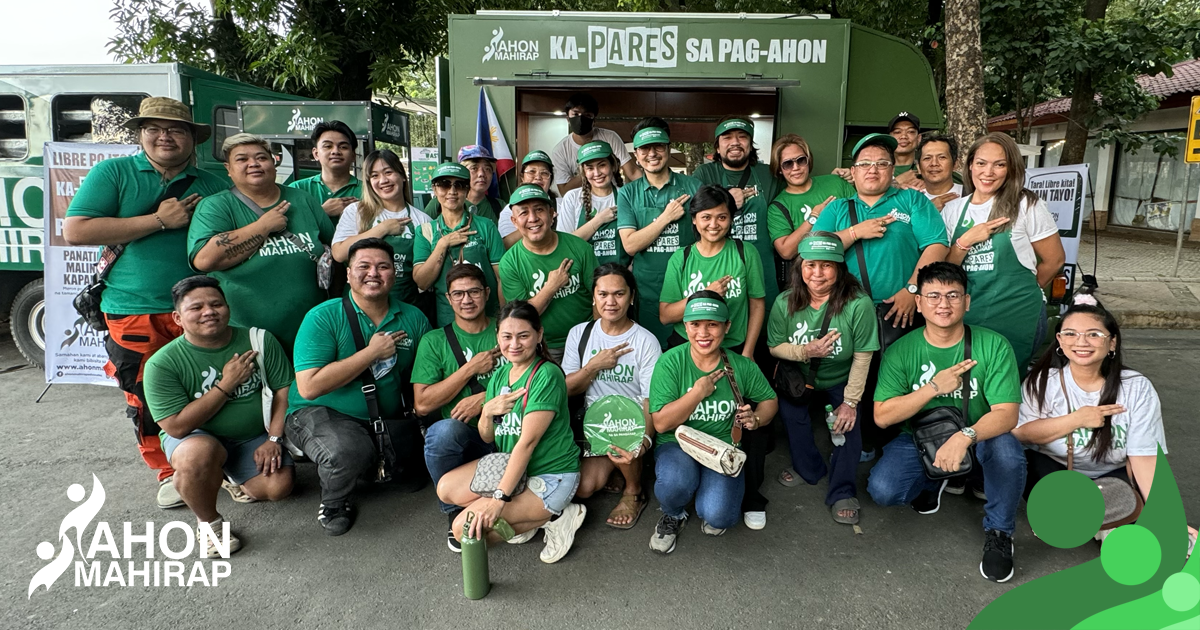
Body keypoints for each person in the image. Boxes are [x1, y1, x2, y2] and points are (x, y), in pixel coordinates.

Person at [63, 97, 228, 509]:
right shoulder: (114, 173)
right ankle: (169, 470)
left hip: (204, 307)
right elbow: (77, 229)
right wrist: (160, 220)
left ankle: (217, 464)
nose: (164, 136)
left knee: (212, 384)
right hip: (135, 308)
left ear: (192, 138)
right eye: (154, 128)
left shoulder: (211, 184)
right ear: (141, 135)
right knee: (146, 393)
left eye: (175, 129)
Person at [867, 262, 1026, 583]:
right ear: (919, 302)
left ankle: (1000, 532)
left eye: (953, 296)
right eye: (934, 296)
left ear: (967, 302)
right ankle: (933, 479)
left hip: (981, 435)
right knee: (883, 491)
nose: (943, 304)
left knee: (1008, 453)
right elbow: (882, 417)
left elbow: (1007, 414)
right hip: (920, 437)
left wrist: (965, 436)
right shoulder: (901, 351)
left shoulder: (993, 345)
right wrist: (934, 387)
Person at [1014, 294, 1198, 546]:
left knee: (1132, 513)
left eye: (1094, 334)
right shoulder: (1043, 381)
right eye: (1070, 334)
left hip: (1113, 476)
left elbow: (1143, 458)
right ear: (1059, 340)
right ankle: (1100, 522)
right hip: (1055, 473)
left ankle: (1090, 523)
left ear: (1112, 343)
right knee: (1026, 461)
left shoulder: (1136, 388)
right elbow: (1021, 434)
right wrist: (1076, 419)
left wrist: (1166, 515)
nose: (1081, 342)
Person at [813, 133, 949, 459]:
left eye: (881, 163)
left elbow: (936, 245)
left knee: (894, 376)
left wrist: (912, 289)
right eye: (865, 164)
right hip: (847, 310)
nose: (873, 170)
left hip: (898, 308)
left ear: (892, 169)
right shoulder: (839, 208)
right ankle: (847, 441)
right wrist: (854, 232)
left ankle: (890, 445)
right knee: (845, 377)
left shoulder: (912, 202)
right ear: (853, 171)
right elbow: (816, 251)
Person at [286, 238, 432, 535]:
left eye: (383, 267)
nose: (373, 274)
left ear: (395, 272)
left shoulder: (413, 317)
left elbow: (426, 375)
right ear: (349, 273)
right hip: (320, 411)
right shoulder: (323, 316)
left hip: (382, 416)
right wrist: (371, 354)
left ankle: (370, 459)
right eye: (363, 267)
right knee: (347, 450)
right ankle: (335, 501)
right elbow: (310, 387)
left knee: (413, 476)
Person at [144, 276, 295, 556]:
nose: (209, 312)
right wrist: (227, 384)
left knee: (278, 487)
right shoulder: (162, 363)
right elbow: (176, 426)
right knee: (197, 457)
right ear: (178, 317)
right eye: (196, 307)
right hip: (196, 438)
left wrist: (274, 438)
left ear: (228, 307)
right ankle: (209, 523)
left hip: (252, 437)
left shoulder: (258, 341)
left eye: (216, 304)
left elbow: (284, 392)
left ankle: (223, 476)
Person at [436, 301, 586, 564]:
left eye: (523, 335)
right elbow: (487, 437)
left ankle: (556, 516)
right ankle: (529, 520)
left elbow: (526, 444)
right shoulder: (501, 375)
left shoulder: (547, 374)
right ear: (497, 337)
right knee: (446, 489)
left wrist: (499, 500)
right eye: (507, 336)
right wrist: (486, 411)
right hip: (516, 473)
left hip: (551, 476)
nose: (514, 344)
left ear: (539, 335)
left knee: (463, 531)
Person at [648, 293, 778, 553]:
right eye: (695, 324)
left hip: (721, 448)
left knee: (720, 516)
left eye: (713, 324)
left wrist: (758, 418)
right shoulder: (670, 362)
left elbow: (770, 400)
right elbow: (661, 424)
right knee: (675, 482)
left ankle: (703, 492)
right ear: (685, 326)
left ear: (726, 327)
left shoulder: (740, 365)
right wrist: (697, 393)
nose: (703, 333)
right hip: (677, 443)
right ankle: (673, 513)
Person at [768, 233, 878, 524]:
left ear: (840, 269)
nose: (817, 274)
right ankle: (809, 469)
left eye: (827, 266)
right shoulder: (785, 301)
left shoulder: (858, 304)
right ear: (800, 267)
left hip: (841, 377)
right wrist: (807, 351)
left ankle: (842, 490)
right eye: (810, 265)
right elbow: (774, 345)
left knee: (848, 427)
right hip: (798, 377)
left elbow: (863, 355)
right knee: (792, 415)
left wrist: (850, 402)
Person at [188, 133, 334, 351]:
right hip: (247, 336)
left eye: (261, 157)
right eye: (242, 159)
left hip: (309, 330)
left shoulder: (302, 199)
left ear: (274, 162)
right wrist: (262, 227)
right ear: (228, 169)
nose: (253, 164)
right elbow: (204, 260)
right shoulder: (215, 206)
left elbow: (336, 250)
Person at [943, 132, 1065, 373]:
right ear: (970, 166)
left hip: (1017, 316)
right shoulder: (953, 210)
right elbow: (946, 270)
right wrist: (965, 241)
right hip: (967, 315)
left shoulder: (1026, 205)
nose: (988, 172)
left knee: (1005, 390)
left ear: (1011, 169)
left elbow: (1055, 259)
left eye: (999, 164)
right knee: (969, 387)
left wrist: (1023, 291)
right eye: (981, 163)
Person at [413, 264, 504, 552]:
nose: (467, 300)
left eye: (474, 291)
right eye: (458, 294)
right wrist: (469, 370)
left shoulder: (507, 331)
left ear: (487, 293)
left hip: (511, 431)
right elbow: (422, 404)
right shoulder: (434, 341)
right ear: (448, 299)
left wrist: (485, 398)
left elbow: (537, 380)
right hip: (468, 439)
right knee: (441, 432)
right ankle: (454, 510)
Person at [564, 264, 661, 528]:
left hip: (632, 423)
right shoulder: (580, 334)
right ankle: (615, 468)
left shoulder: (645, 341)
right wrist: (594, 365)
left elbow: (650, 399)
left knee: (621, 424)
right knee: (583, 489)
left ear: (631, 297)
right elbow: (567, 388)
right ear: (594, 297)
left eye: (619, 294)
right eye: (603, 294)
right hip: (593, 425)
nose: (611, 301)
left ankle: (634, 490)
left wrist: (644, 440)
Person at [618, 125, 702, 348]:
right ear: (636, 155)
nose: (652, 154)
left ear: (668, 149)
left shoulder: (693, 186)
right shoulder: (628, 193)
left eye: (658, 147)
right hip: (646, 294)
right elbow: (630, 245)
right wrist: (666, 217)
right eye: (644, 149)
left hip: (687, 288)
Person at [660, 185, 765, 356]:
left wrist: (748, 352)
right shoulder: (681, 258)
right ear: (694, 219)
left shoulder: (746, 252)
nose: (714, 224)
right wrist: (704, 294)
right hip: (688, 348)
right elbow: (666, 316)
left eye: (722, 217)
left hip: (733, 347)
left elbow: (757, 305)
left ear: (731, 218)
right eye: (706, 217)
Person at [499, 184, 598, 362]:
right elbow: (520, 317)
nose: (533, 218)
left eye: (539, 210)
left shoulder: (579, 248)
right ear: (514, 221)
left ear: (552, 213)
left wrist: (597, 337)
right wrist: (551, 286)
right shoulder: (510, 262)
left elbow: (599, 297)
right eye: (523, 213)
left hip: (586, 339)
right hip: (542, 346)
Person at [694, 116, 782, 315]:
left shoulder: (768, 174)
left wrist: (839, 177)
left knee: (763, 330)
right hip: (720, 268)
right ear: (717, 147)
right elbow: (695, 215)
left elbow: (798, 191)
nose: (735, 142)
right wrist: (727, 199)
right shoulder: (704, 174)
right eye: (727, 138)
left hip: (761, 267)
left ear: (750, 145)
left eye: (742, 137)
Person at [331, 149, 433, 306]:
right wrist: (382, 229)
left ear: (402, 176)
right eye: (374, 176)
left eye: (388, 172)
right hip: (361, 307)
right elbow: (339, 253)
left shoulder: (422, 220)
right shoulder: (357, 211)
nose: (383, 180)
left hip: (407, 306)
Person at [413, 162, 506, 327]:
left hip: (488, 319)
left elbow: (501, 278)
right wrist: (443, 243)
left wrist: (504, 318)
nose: (452, 191)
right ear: (434, 190)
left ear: (467, 190)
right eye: (444, 184)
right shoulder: (425, 231)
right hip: (447, 322)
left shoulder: (486, 226)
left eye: (460, 185)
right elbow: (422, 282)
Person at [767, 134, 857, 288]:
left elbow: (863, 211)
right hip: (814, 282)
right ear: (779, 169)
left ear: (808, 161)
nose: (796, 168)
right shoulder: (778, 206)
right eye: (787, 164)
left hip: (853, 272)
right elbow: (786, 251)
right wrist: (814, 217)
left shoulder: (835, 182)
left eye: (801, 160)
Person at [551, 92, 640, 195]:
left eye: (587, 115)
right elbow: (564, 191)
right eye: (575, 114)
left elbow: (633, 172)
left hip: (613, 197)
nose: (580, 118)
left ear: (594, 119)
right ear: (568, 118)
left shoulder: (610, 137)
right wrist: (589, 171)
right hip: (582, 202)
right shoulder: (560, 150)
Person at [556, 141, 629, 266]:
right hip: (583, 276)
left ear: (613, 166)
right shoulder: (572, 198)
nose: (596, 173)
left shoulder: (626, 195)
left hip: (619, 277)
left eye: (602, 165)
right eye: (590, 168)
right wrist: (599, 219)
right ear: (583, 172)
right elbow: (565, 245)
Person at [289, 120, 362, 219]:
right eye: (328, 146)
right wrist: (321, 211)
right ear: (316, 153)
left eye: (343, 147)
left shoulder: (369, 190)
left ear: (353, 155)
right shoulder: (296, 189)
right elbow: (288, 224)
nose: (335, 151)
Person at [423, 145, 504, 222]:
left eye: (487, 169)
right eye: (474, 168)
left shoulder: (499, 206)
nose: (481, 174)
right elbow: (424, 231)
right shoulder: (441, 203)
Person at [498, 150, 557, 247]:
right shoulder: (510, 210)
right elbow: (505, 245)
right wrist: (535, 226)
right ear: (522, 177)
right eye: (531, 172)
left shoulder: (562, 203)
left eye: (544, 173)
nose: (538, 177)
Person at [916, 132, 963, 211]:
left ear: (955, 164)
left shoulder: (970, 194)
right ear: (918, 167)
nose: (934, 163)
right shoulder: (910, 200)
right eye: (927, 158)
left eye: (942, 157)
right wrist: (928, 210)